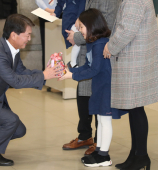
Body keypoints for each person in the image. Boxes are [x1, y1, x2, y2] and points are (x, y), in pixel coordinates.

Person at [0, 14, 62, 166]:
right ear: (14, 35)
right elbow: (15, 81)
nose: (29, 39)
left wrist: (45, 74)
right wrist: (43, 75)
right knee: (11, 121)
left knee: (19, 130)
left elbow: (21, 72)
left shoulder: (12, 49)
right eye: (27, 35)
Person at [59, 8, 126, 167]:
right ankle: (99, 151)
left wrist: (71, 75)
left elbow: (94, 70)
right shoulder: (94, 43)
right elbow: (87, 65)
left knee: (105, 121)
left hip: (106, 88)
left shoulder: (100, 44)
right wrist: (71, 70)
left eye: (81, 26)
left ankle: (104, 155)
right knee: (102, 121)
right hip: (99, 87)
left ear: (91, 25)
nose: (79, 30)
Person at [103, 0, 158, 169]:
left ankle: (141, 156)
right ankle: (136, 154)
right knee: (135, 109)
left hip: (134, 60)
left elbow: (127, 30)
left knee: (136, 109)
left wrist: (110, 47)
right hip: (134, 58)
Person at [52, 0, 86, 68]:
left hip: (76, 23)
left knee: (77, 43)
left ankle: (73, 62)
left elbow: (82, 5)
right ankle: (73, 63)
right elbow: (59, 4)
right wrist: (55, 13)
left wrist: (79, 18)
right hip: (67, 22)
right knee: (75, 43)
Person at [35, 0, 58, 70]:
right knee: (47, 44)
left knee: (60, 43)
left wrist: (59, 9)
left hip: (61, 14)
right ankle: (47, 71)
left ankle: (61, 68)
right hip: (44, 14)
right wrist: (48, 10)